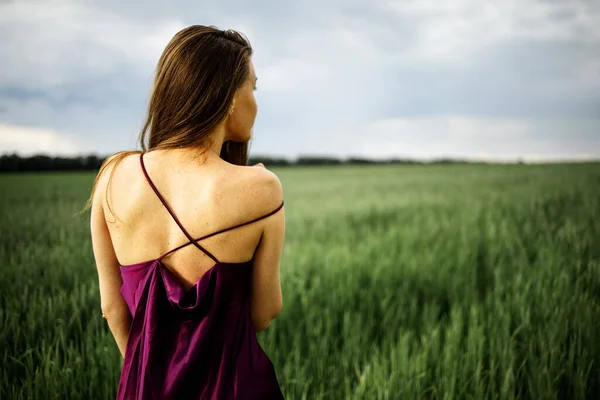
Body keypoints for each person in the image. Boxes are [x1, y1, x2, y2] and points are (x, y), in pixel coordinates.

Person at [84, 25, 286, 399]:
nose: (256, 102)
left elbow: (112, 309)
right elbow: (264, 312)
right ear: (226, 96)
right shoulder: (262, 188)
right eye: (253, 88)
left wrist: (155, 375)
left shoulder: (112, 177)